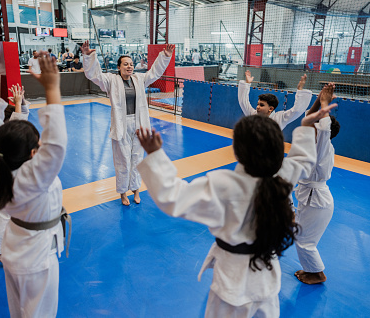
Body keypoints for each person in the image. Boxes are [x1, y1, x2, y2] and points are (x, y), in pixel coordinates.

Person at [136, 102, 337, 317]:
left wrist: (155, 154)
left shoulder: (224, 185)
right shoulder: (282, 178)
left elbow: (172, 197)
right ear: (278, 149)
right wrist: (306, 126)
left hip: (232, 286)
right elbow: (302, 160)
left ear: (238, 151)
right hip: (267, 279)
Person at [0, 49, 69, 318]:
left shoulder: (0, 162)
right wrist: (52, 88)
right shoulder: (33, 179)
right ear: (32, 155)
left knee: (19, 312)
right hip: (37, 257)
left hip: (15, 248)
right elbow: (57, 144)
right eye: (38, 146)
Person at [81, 40, 174, 206]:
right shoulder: (111, 81)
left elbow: (155, 73)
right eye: (125, 64)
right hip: (121, 125)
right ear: (119, 67)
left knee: (137, 159)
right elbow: (93, 75)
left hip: (138, 125)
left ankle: (136, 190)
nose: (129, 67)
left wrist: (164, 57)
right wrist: (88, 58)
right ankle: (123, 193)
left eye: (131, 64)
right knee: (122, 160)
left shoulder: (139, 79)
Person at [294, 83, 341, 285]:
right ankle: (311, 270)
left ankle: (317, 274)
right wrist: (317, 99)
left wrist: (324, 103)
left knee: (305, 242)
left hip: (317, 202)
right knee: (300, 237)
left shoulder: (322, 146)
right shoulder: (311, 143)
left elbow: (323, 130)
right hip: (311, 199)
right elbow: (307, 119)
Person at [0, 84, 31, 262]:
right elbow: (20, 122)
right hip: (4, 182)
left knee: (13, 214)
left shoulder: (9, 133)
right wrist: (17, 105)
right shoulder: (1, 135)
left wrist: (21, 102)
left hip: (14, 181)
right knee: (3, 215)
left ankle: (6, 244)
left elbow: (23, 120)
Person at [238, 70, 312, 130]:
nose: (257, 107)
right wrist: (247, 84)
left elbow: (296, 111)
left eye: (261, 105)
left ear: (271, 108)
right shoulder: (253, 114)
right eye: (258, 104)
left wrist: (300, 90)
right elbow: (243, 102)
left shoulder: (279, 118)